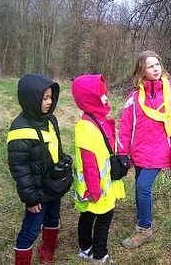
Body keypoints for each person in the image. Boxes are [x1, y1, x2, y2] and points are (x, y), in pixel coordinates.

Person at [117, 50, 171, 249]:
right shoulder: (134, 96)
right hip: (138, 150)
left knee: (142, 187)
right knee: (139, 186)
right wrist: (122, 152)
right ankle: (141, 218)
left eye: (157, 64)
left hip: (159, 151)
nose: (156, 69)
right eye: (150, 66)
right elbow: (125, 125)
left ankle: (144, 230)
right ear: (141, 70)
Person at [7, 73, 72, 265]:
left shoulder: (50, 120)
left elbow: (56, 149)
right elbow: (19, 169)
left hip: (53, 186)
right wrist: (31, 198)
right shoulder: (19, 129)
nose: (49, 102)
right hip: (36, 191)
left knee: (53, 218)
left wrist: (63, 167)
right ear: (31, 98)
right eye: (44, 98)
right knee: (31, 228)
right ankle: (22, 260)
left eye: (51, 97)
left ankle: (48, 248)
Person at [71, 74, 125, 264]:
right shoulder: (85, 126)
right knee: (102, 216)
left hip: (102, 184)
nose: (106, 98)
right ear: (90, 98)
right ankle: (99, 254)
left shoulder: (98, 119)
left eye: (105, 93)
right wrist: (94, 190)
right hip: (95, 186)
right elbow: (89, 162)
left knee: (89, 214)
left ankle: (85, 248)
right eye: (101, 95)